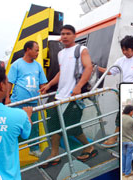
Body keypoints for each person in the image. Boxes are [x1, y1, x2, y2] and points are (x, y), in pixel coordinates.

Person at [39, 24, 96, 167]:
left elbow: (89, 67)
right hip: (60, 95)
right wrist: (49, 84)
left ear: (74, 35)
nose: (64, 36)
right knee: (54, 125)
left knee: (71, 126)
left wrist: (78, 86)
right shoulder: (60, 53)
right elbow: (61, 72)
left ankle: (89, 147)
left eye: (68, 33)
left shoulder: (81, 49)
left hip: (74, 95)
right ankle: (55, 154)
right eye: (62, 33)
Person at [6, 40, 48, 157]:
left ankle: (34, 148)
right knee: (15, 126)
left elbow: (42, 83)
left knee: (32, 126)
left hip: (32, 102)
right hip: (17, 103)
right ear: (28, 50)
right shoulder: (17, 65)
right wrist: (7, 98)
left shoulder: (38, 66)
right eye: (36, 50)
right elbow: (9, 82)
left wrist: (43, 91)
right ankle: (9, 148)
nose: (38, 53)